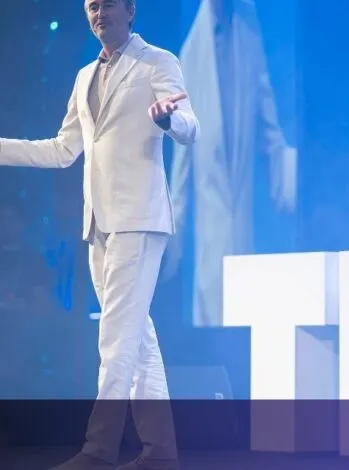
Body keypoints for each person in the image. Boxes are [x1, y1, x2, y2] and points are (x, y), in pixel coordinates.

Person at [0, 0, 200, 468]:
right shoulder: (84, 76)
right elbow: (62, 149)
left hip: (139, 221)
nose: (98, 12)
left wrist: (167, 119)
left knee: (115, 338)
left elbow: (190, 127)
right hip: (99, 225)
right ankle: (160, 453)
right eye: (91, 5)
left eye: (108, 3)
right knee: (136, 340)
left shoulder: (157, 61)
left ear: (130, 11)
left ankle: (99, 450)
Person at [162, 0, 297, 327]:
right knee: (212, 285)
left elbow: (267, 117)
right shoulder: (191, 57)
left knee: (244, 290)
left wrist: (286, 172)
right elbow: (181, 157)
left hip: (243, 197)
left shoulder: (248, 43)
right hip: (210, 203)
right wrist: (173, 221)